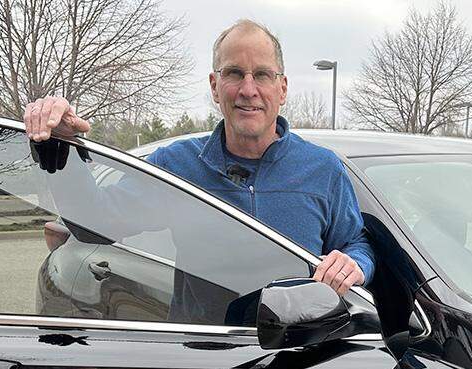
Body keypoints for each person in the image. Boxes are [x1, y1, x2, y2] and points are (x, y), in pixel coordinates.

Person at [23, 18, 373, 296]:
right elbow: (93, 223)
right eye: (234, 73)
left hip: (303, 354)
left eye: (262, 75)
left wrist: (355, 263)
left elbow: (355, 243)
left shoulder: (323, 168)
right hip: (205, 354)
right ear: (214, 86)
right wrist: (62, 144)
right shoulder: (176, 167)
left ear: (281, 89)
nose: (248, 89)